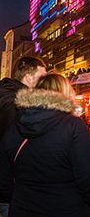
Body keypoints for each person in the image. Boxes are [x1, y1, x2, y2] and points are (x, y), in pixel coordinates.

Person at [0, 74, 90, 217]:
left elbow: (4, 179)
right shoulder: (73, 126)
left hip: (22, 208)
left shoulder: (15, 125)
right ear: (65, 94)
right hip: (66, 208)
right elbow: (89, 178)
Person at [0, 56, 46, 217]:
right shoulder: (18, 103)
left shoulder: (5, 93)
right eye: (41, 78)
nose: (44, 84)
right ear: (28, 77)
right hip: (9, 186)